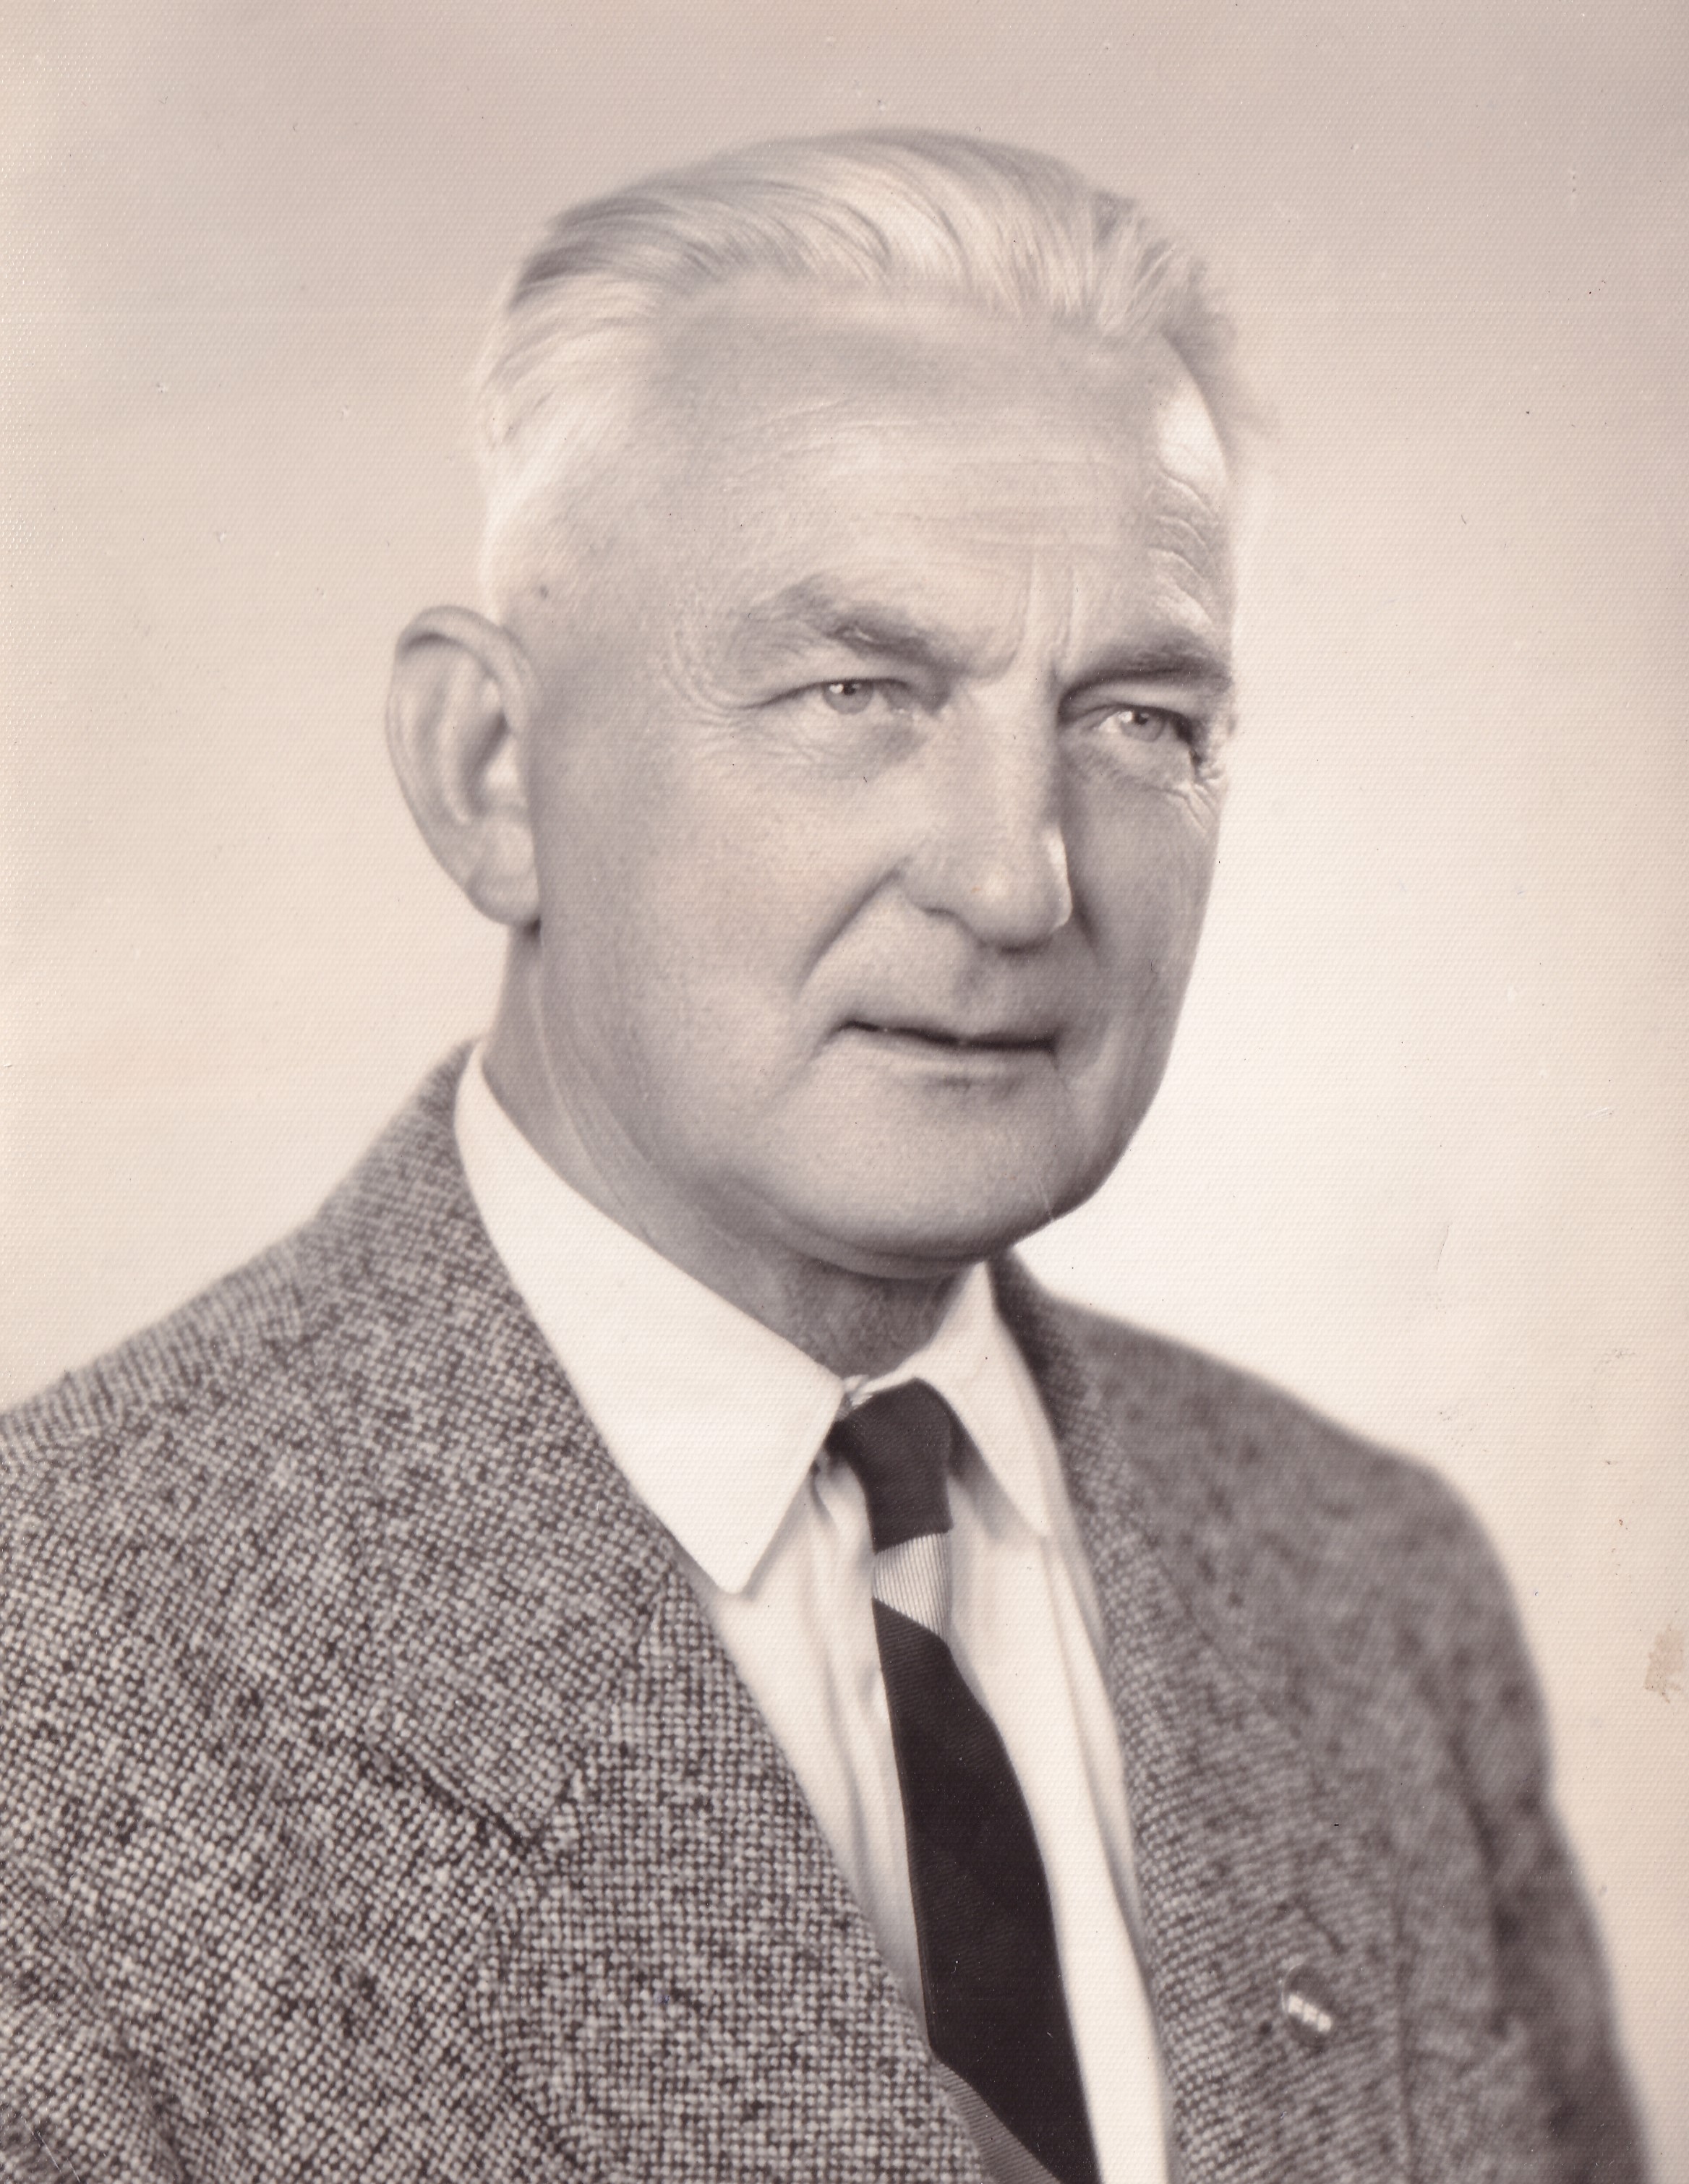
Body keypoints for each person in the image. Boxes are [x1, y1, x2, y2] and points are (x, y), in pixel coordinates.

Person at [0, 132, 1644, 2184]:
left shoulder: (1377, 1588)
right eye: (859, 689)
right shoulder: (55, 1675)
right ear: (492, 773)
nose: (1016, 882)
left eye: (1138, 719)